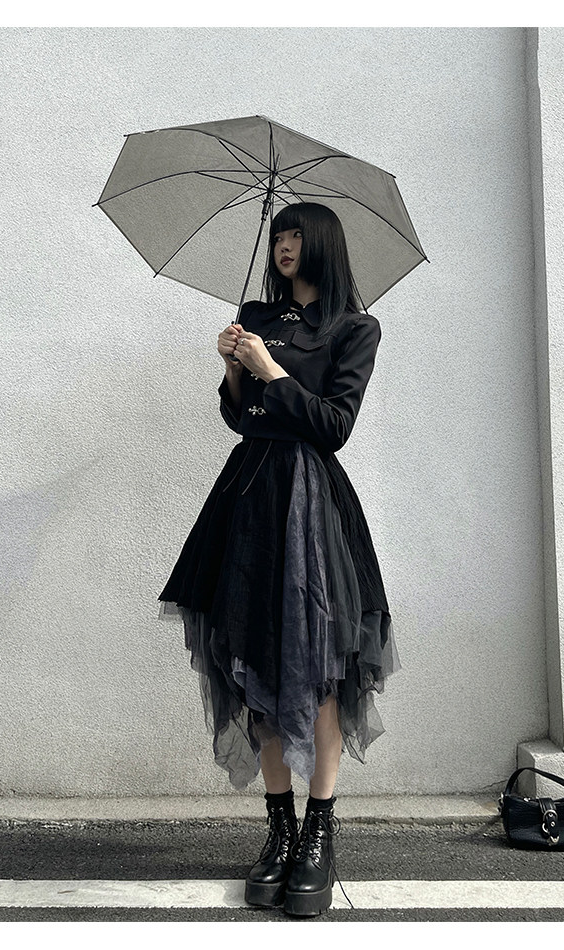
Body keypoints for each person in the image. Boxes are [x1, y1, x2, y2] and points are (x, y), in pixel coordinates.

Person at [157, 202, 399, 917]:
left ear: (321, 244)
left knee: (319, 669)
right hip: (249, 499)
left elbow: (335, 426)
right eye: (278, 236)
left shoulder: (354, 328)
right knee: (254, 663)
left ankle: (318, 835)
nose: (284, 246)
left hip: (311, 507)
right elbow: (240, 418)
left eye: (296, 235)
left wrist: (270, 369)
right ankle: (279, 831)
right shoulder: (256, 315)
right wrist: (235, 370)